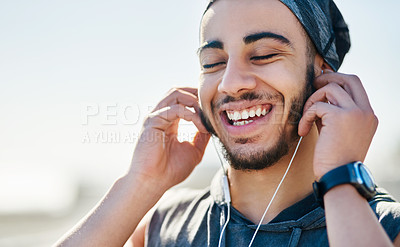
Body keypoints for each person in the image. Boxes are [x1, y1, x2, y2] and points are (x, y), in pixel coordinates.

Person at [55, 0, 400, 246]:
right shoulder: (162, 228)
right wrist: (141, 183)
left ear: (324, 73)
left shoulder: (386, 228)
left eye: (264, 55)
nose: (231, 82)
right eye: (213, 62)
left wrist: (341, 179)